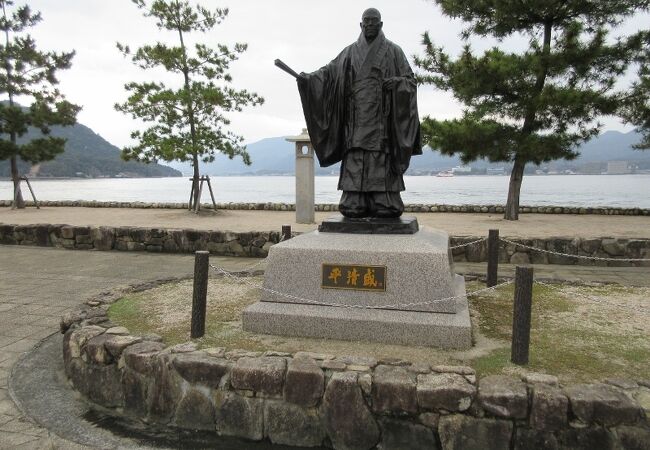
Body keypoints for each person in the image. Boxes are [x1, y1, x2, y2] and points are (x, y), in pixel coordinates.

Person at [297, 8, 421, 218]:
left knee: (381, 166)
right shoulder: (349, 52)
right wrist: (309, 80)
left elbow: (410, 81)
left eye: (374, 22)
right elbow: (328, 74)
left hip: (381, 122)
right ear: (361, 25)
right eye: (366, 21)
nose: (370, 25)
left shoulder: (394, 51)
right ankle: (355, 198)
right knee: (355, 171)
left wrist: (397, 83)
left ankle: (384, 199)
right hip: (354, 122)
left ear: (381, 25)